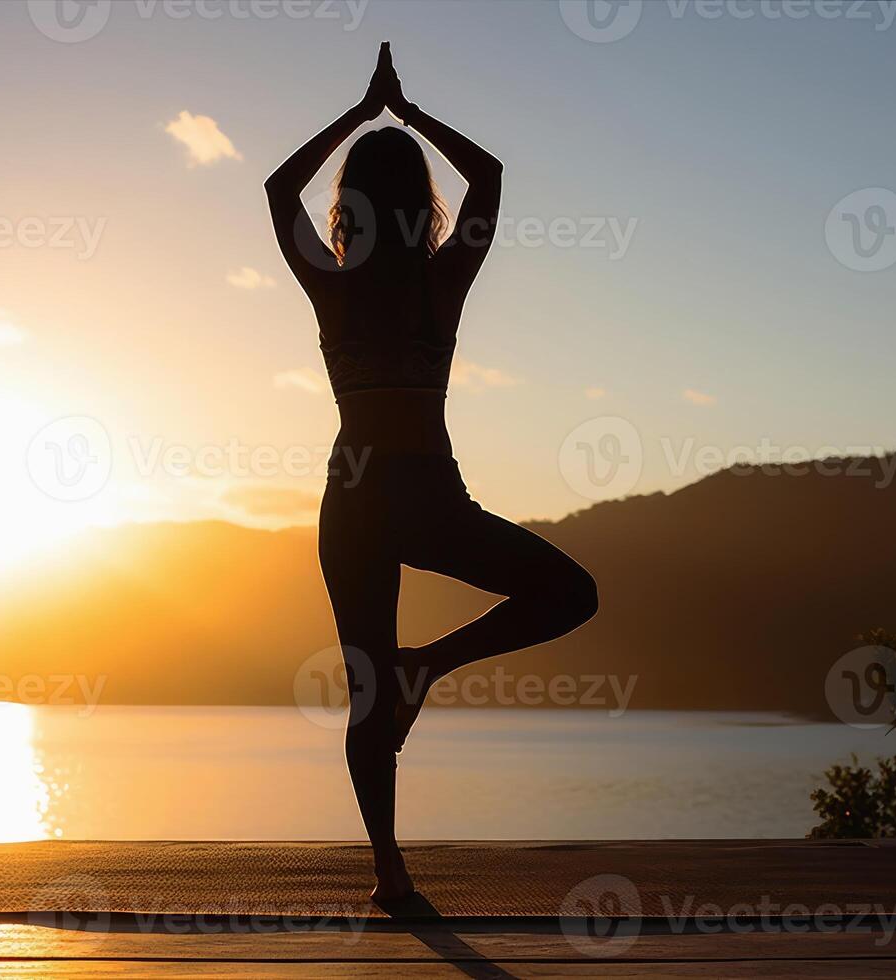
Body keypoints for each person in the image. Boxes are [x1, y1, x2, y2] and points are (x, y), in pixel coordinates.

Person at [265, 42, 598, 900]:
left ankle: (390, 870)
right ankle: (393, 854)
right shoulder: (439, 282)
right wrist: (403, 113)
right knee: (570, 594)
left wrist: (361, 114)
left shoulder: (334, 286)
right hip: (421, 494)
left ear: (352, 205)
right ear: (420, 202)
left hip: (357, 499)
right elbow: (486, 175)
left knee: (371, 693)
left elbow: (276, 192)